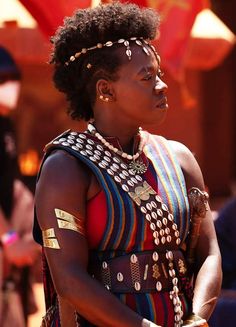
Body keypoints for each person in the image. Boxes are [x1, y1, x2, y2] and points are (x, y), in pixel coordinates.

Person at [34, 3, 222, 327]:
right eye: (146, 76)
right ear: (106, 90)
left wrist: (197, 319)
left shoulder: (179, 158)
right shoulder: (65, 168)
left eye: (158, 74)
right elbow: (69, 278)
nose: (162, 85)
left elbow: (210, 255)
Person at [0, 46, 39, 326]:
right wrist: (10, 240)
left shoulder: (6, 126)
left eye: (13, 78)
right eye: (2, 80)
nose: (10, 86)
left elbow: (12, 186)